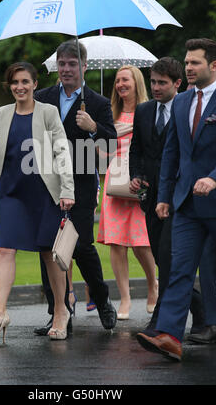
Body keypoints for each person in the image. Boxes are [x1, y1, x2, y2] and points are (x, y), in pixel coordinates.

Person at [0, 62, 75, 342]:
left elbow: (62, 152)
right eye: (14, 82)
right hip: (11, 193)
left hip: (44, 193)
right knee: (4, 250)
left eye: (25, 81)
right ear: (9, 86)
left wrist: (68, 189)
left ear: (35, 84)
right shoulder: (3, 113)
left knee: (50, 255)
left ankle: (61, 310)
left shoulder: (48, 112)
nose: (20, 87)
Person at [136, 38, 216, 361]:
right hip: (185, 204)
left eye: (195, 63)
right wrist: (164, 196)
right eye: (186, 62)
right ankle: (170, 335)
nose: (188, 67)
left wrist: (215, 177)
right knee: (178, 269)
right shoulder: (184, 102)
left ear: (214, 66)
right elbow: (172, 151)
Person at [34, 39, 118, 335]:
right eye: (62, 64)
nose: (66, 69)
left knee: (80, 245)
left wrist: (93, 127)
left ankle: (102, 298)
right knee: (48, 247)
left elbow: (111, 144)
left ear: (84, 66)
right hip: (48, 182)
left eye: (72, 64)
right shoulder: (41, 98)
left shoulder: (97, 103)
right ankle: (58, 312)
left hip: (82, 181)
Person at [129, 57, 205, 335]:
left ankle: (160, 322)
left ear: (177, 83)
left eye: (162, 82)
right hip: (151, 197)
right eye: (153, 82)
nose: (156, 87)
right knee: (165, 261)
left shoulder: (189, 109)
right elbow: (136, 149)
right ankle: (199, 309)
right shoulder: (144, 110)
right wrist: (135, 174)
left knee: (167, 257)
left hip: (180, 197)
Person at [97, 65, 158, 320]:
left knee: (142, 243)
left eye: (126, 80)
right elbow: (100, 152)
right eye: (118, 81)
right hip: (115, 182)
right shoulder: (108, 113)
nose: (121, 84)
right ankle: (125, 298)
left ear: (136, 83)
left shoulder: (148, 111)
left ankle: (153, 286)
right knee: (116, 243)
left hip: (139, 181)